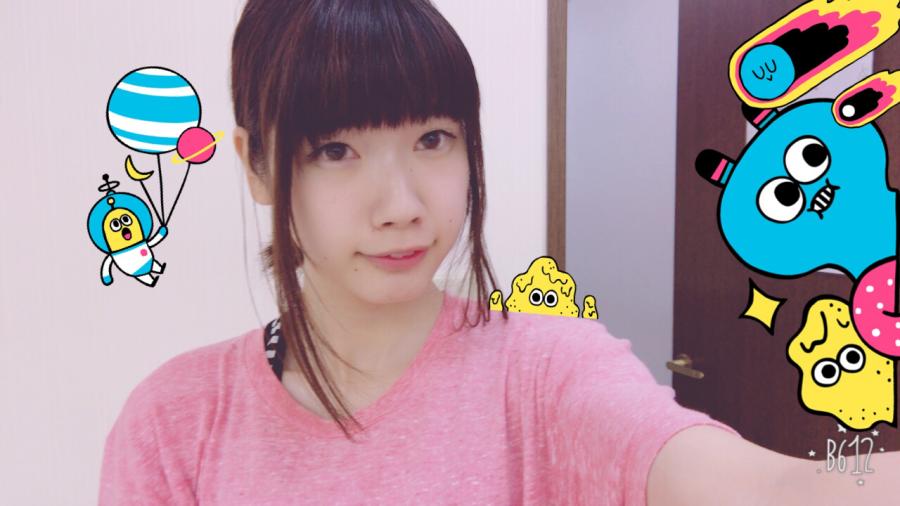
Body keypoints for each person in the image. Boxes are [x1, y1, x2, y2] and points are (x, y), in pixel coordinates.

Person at [98, 1, 900, 504]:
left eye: (433, 139)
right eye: (335, 150)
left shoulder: (550, 371)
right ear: (258, 164)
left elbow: (773, 487)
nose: (402, 206)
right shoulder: (174, 424)